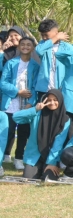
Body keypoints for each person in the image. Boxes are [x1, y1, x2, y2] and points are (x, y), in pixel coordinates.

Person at [12, 89, 70, 181]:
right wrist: (35, 109)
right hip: (35, 156)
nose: (52, 102)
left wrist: (52, 163)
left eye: (55, 100)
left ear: (60, 100)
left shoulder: (65, 119)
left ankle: (47, 167)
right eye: (49, 100)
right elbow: (16, 117)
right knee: (28, 178)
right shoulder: (37, 114)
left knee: (49, 178)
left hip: (51, 156)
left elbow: (58, 144)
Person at [1, 36, 39, 169]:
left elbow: (36, 87)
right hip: (10, 104)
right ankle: (3, 157)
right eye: (23, 44)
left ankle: (18, 158)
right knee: (7, 131)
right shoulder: (11, 63)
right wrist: (18, 92)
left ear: (33, 48)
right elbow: (3, 83)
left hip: (26, 105)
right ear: (18, 46)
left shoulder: (35, 66)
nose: (25, 47)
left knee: (23, 132)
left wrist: (31, 103)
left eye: (29, 45)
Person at [34, 19, 73, 99]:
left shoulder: (68, 47)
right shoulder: (42, 45)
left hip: (61, 88)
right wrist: (55, 38)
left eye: (46, 35)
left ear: (56, 32)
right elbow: (39, 51)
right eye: (42, 35)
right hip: (44, 88)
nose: (44, 38)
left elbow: (71, 66)